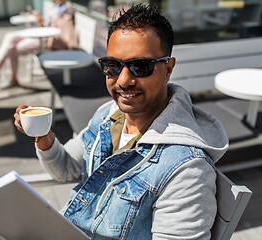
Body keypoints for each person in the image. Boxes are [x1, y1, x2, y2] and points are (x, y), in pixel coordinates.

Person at [14, 3, 229, 239]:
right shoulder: (109, 115)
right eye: (113, 66)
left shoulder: (185, 169)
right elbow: (67, 168)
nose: (124, 80)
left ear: (168, 69)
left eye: (141, 67)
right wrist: (43, 135)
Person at [0, 0, 77, 90]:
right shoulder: (56, 6)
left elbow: (61, 29)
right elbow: (49, 26)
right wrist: (41, 20)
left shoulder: (66, 8)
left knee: (12, 47)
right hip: (44, 36)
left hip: (50, 41)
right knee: (10, 37)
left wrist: (50, 21)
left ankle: (7, 75)